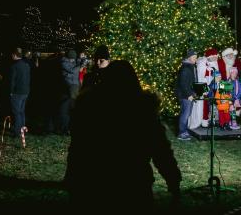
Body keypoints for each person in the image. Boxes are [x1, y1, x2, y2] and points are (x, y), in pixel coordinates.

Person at [65, 60, 182, 211]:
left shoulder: (89, 105)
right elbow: (160, 149)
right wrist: (173, 181)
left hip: (95, 183)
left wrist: (73, 180)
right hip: (133, 183)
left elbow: (78, 148)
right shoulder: (142, 109)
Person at [175, 49, 199, 140]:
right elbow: (183, 83)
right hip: (185, 95)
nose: (196, 59)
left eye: (196, 58)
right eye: (194, 58)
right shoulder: (186, 68)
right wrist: (189, 95)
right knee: (185, 113)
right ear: (189, 57)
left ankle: (184, 131)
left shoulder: (190, 66)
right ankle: (182, 133)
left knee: (186, 113)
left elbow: (191, 82)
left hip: (189, 94)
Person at [9, 48, 31, 137]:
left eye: (12, 55)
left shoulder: (14, 66)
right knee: (21, 111)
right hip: (25, 91)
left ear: (14, 55)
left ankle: (17, 131)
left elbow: (12, 81)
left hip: (17, 92)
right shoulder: (26, 65)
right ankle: (22, 129)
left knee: (16, 112)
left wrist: (11, 91)